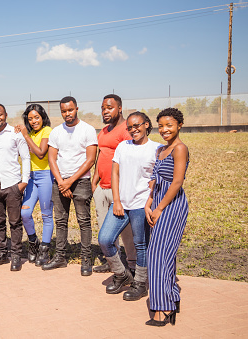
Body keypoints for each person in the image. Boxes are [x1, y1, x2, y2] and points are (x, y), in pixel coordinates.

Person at [98, 112, 162, 300]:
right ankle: (121, 274)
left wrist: (150, 204)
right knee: (105, 239)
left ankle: (140, 283)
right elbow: (115, 174)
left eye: (137, 125)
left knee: (140, 245)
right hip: (121, 203)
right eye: (130, 127)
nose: (134, 130)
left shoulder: (156, 149)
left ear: (147, 125)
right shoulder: (122, 147)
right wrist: (117, 201)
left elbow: (157, 179)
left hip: (141, 205)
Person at [145, 108, 189, 326]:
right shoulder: (160, 150)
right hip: (158, 202)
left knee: (157, 253)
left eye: (169, 125)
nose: (164, 130)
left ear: (179, 125)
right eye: (161, 126)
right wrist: (149, 202)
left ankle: (164, 306)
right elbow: (154, 180)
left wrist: (160, 208)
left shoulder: (180, 149)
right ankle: (172, 296)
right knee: (163, 253)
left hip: (172, 205)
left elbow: (177, 182)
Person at [45, 96, 97, 275]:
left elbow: (90, 160)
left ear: (77, 109)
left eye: (70, 110)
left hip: (81, 181)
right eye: (64, 111)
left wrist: (70, 181)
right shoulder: (56, 132)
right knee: (60, 221)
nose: (67, 114)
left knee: (84, 221)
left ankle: (86, 259)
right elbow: (52, 158)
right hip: (60, 182)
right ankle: (60, 257)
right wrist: (61, 181)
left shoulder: (87, 130)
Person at [92, 94, 137, 274]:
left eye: (109, 107)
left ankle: (132, 265)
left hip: (119, 190)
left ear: (120, 108)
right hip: (101, 188)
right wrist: (94, 181)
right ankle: (113, 263)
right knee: (105, 229)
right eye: (103, 108)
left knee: (126, 231)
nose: (105, 111)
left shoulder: (127, 130)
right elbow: (101, 156)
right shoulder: (103, 131)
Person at [0, 103, 31, 271]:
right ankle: (2, 253)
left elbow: (25, 158)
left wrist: (24, 182)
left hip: (12, 185)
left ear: (5, 115)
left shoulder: (15, 134)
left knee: (15, 222)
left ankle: (16, 255)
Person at [14, 104, 54, 266]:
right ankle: (33, 243)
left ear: (42, 117)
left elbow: (41, 152)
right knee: (25, 213)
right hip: (31, 177)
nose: (33, 121)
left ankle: (45, 249)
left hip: (45, 176)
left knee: (46, 215)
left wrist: (26, 136)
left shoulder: (47, 131)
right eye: (30, 119)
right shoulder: (29, 133)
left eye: (36, 117)